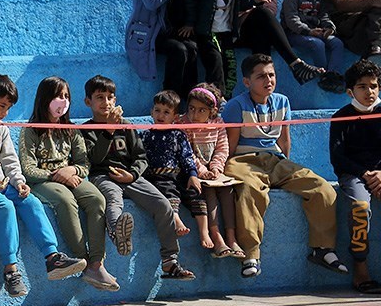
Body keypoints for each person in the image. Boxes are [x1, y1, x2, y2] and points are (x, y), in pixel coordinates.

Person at [0, 73, 86, 297]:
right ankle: (11, 270)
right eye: (1, 106)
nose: (5, 113)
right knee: (3, 206)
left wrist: (19, 182)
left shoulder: (1, 128)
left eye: (9, 108)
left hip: (1, 184)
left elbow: (10, 161)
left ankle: (52, 257)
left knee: (30, 201)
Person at [222, 53, 346, 278]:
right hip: (243, 160)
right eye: (261, 76)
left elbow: (284, 140)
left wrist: (284, 170)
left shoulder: (282, 101)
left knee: (323, 189)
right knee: (250, 191)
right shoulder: (235, 106)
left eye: (271, 75)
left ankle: (322, 248)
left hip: (275, 160)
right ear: (247, 82)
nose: (268, 80)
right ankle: (251, 254)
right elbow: (230, 146)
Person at [81, 75, 196, 281]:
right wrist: (108, 131)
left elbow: (141, 157)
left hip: (130, 176)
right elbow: (93, 158)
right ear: (88, 102)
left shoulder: (126, 126)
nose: (106, 102)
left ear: (115, 100)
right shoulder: (85, 130)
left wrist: (132, 174)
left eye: (110, 97)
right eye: (100, 97)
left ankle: (170, 261)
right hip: (103, 176)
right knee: (113, 200)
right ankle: (118, 232)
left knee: (162, 204)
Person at [19, 76, 119, 291]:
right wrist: (57, 175)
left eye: (66, 96)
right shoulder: (29, 130)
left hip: (70, 176)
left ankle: (96, 263)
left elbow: (84, 163)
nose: (62, 101)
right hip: (42, 181)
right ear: (45, 98)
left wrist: (72, 170)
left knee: (96, 199)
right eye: (57, 96)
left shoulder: (71, 130)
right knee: (65, 201)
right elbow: (28, 169)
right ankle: (82, 261)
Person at [182, 0, 265, 98]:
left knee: (231, 66)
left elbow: (237, 2)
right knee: (215, 63)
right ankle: (215, 99)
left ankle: (227, 97)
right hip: (207, 32)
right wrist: (190, 23)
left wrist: (253, 0)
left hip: (226, 32)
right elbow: (190, 1)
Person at [329, 59, 381, 293]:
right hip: (355, 176)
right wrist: (365, 173)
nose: (369, 91)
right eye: (362, 86)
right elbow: (337, 157)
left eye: (374, 85)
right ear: (351, 91)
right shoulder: (341, 118)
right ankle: (360, 268)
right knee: (360, 207)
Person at [178, 83, 246, 259]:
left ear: (212, 111)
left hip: (214, 171)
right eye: (191, 108)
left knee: (227, 190)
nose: (194, 114)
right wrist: (201, 171)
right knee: (208, 190)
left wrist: (216, 168)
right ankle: (216, 236)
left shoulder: (217, 124)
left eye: (201, 110)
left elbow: (222, 148)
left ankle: (231, 237)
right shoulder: (182, 124)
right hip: (193, 172)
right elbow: (186, 152)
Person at [141, 90, 209, 250]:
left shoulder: (178, 135)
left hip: (179, 175)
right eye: (157, 110)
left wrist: (193, 175)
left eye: (166, 112)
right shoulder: (145, 136)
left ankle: (204, 231)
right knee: (167, 191)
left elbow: (186, 156)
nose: (161, 115)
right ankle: (176, 220)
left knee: (196, 193)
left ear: (175, 117)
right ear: (151, 112)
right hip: (158, 176)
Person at [281, 0, 346, 91]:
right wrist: (309, 31)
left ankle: (333, 74)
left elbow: (324, 15)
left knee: (337, 43)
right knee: (317, 44)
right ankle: (323, 75)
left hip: (315, 31)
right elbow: (292, 20)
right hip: (295, 33)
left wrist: (329, 27)